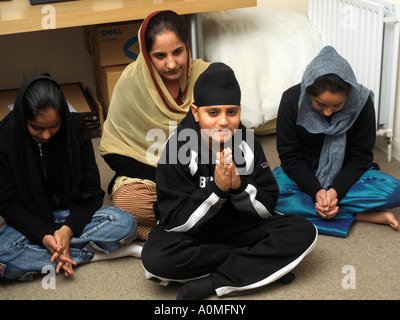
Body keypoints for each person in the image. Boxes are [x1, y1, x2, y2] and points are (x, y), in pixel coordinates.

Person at [141, 62, 317, 300]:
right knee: (155, 260)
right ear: (196, 112)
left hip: (239, 226)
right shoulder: (177, 147)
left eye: (231, 112)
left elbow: (267, 208)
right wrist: (216, 189)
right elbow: (174, 222)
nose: (223, 121)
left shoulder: (248, 141)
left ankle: (215, 282)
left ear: (239, 111)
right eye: (212, 113)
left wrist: (238, 186)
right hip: (194, 233)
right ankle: (258, 263)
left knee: (304, 231)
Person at [0, 76, 142, 281]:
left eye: (54, 126)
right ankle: (92, 256)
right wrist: (44, 235)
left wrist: (67, 230)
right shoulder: (5, 137)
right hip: (31, 216)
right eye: (37, 128)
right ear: (23, 119)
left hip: (71, 212)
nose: (46, 135)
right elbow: (8, 204)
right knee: (3, 252)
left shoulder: (75, 127)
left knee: (125, 224)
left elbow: (92, 192)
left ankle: (52, 253)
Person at [100, 10, 209, 241]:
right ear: (146, 54)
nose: (171, 63)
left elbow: (231, 132)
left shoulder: (206, 76)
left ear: (188, 46)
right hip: (153, 177)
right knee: (127, 201)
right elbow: (113, 152)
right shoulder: (130, 84)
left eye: (178, 52)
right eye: (160, 56)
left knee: (243, 185)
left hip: (203, 173)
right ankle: (200, 223)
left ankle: (176, 228)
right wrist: (169, 178)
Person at [273, 46, 400, 238]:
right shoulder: (291, 100)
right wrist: (316, 191)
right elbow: (290, 156)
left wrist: (335, 191)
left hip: (346, 173)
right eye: (320, 104)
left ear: (349, 95)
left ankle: (321, 208)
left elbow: (361, 157)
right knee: (268, 193)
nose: (328, 113)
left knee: (394, 191)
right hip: (304, 172)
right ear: (308, 93)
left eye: (338, 105)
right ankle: (359, 215)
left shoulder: (361, 102)